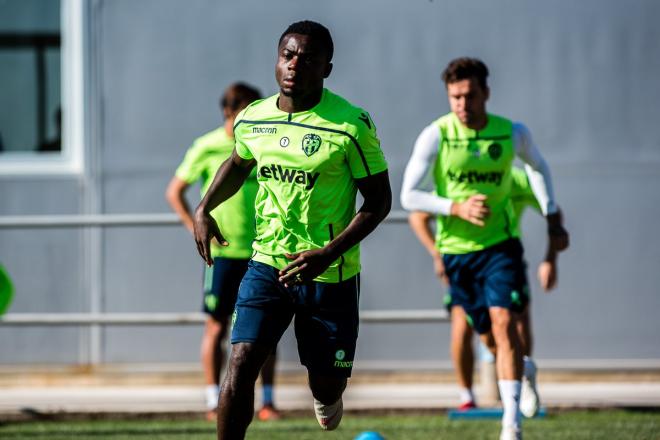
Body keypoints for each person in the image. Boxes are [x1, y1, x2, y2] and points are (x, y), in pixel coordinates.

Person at [192, 20, 391, 440]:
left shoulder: (351, 125)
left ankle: (328, 393)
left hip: (329, 272)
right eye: (288, 55)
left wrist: (328, 252)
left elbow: (378, 202)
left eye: (308, 58)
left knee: (325, 381)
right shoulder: (253, 119)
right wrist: (205, 206)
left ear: (327, 69)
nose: (295, 64)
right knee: (242, 360)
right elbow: (237, 162)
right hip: (267, 263)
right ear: (277, 59)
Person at [401, 58, 568, 440]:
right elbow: (409, 196)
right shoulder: (436, 135)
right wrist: (455, 207)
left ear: (486, 93)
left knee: (505, 323)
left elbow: (539, 169)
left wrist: (553, 214)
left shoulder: (511, 134)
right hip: (458, 253)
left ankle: (511, 423)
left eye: (470, 95)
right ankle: (523, 369)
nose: (463, 104)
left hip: (500, 247)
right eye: (455, 97)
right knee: (491, 339)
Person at [408, 167, 563, 417]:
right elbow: (417, 215)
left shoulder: (516, 178)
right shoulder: (458, 178)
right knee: (482, 334)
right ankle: (504, 379)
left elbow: (552, 212)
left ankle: (513, 410)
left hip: (502, 259)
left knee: (512, 323)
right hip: (462, 262)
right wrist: (437, 254)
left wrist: (550, 260)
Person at [166, 83, 280, 422]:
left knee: (264, 330)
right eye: (246, 113)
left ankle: (268, 401)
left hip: (263, 251)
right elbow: (175, 191)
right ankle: (212, 400)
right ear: (229, 114)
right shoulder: (208, 146)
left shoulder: (264, 142)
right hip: (223, 257)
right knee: (216, 328)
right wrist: (196, 228)